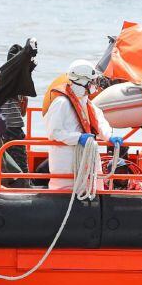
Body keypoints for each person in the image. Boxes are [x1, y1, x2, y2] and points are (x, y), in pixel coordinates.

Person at [43, 60, 119, 190]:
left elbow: (100, 122)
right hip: (67, 165)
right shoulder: (61, 103)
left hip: (89, 163)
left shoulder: (88, 104)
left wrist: (109, 136)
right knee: (67, 191)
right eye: (92, 82)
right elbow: (54, 132)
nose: (95, 86)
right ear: (82, 82)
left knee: (95, 188)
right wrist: (78, 138)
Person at [0, 45, 30, 173]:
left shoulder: (18, 83)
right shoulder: (7, 80)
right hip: (9, 129)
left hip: (13, 128)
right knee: (19, 164)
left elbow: (22, 113)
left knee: (15, 163)